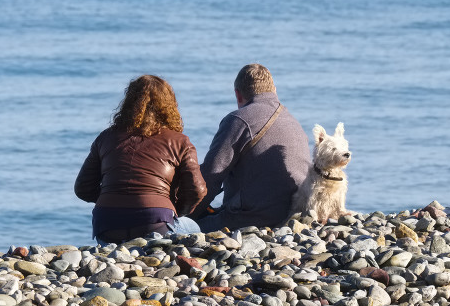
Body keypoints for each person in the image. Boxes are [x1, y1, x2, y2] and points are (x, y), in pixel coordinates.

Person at [75, 75, 206, 244]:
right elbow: (197, 189)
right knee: (194, 228)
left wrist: (114, 197)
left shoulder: (105, 138)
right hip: (155, 224)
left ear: (129, 102)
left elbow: (82, 188)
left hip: (107, 226)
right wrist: (176, 210)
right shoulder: (179, 141)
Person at [190, 64, 310, 232]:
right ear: (274, 90)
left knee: (177, 229)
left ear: (238, 95)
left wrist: (185, 214)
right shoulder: (293, 122)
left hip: (252, 218)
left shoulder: (238, 120)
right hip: (294, 216)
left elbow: (210, 177)